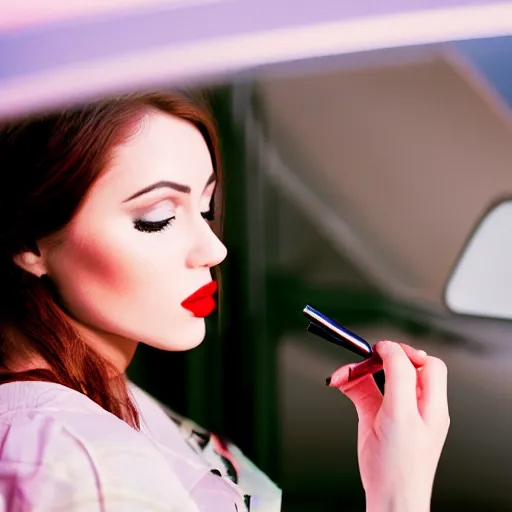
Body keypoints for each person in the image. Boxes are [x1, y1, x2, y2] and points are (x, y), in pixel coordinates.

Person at [0, 91, 450, 511]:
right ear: (28, 242)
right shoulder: (88, 466)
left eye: (206, 208)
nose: (215, 251)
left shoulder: (94, 394)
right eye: (158, 218)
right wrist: (401, 494)